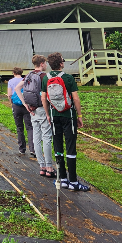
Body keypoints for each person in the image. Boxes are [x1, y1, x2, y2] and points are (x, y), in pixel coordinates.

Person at [41, 52, 90, 191]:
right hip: (68, 115)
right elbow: (75, 98)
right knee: (70, 147)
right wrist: (79, 115)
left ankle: (62, 179)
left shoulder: (46, 78)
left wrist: (48, 114)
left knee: (57, 147)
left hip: (54, 115)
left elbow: (43, 98)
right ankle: (73, 181)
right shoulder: (68, 78)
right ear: (61, 63)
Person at [15, 55, 55, 177]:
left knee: (36, 138)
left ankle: (41, 166)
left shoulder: (28, 75)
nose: (46, 65)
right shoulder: (44, 76)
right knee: (47, 137)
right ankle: (49, 167)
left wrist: (25, 104)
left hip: (32, 109)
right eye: (45, 63)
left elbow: (17, 88)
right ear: (42, 64)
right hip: (43, 109)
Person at [7, 67, 34, 157]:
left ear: (13, 72)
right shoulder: (25, 79)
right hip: (26, 105)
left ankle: (22, 148)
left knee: (19, 128)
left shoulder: (11, 81)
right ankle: (32, 149)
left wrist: (12, 103)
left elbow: (9, 94)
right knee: (29, 127)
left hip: (16, 106)